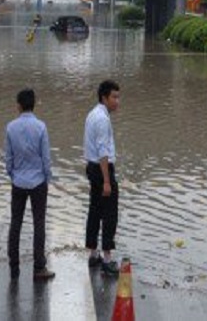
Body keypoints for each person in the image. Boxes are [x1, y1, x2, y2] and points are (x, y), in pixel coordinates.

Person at [5, 88, 55, 281]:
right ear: (34, 104)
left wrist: (13, 175)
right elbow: (46, 158)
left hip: (18, 181)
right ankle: (39, 267)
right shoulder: (41, 127)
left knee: (15, 223)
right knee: (39, 223)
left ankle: (14, 266)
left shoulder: (10, 127)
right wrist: (47, 178)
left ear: (18, 105)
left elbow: (8, 158)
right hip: (38, 182)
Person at [84, 80, 121, 276]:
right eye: (114, 97)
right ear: (104, 98)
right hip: (102, 169)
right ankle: (107, 259)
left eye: (118, 96)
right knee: (109, 213)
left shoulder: (93, 114)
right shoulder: (102, 119)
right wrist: (107, 181)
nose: (117, 101)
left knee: (95, 209)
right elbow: (102, 152)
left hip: (93, 167)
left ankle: (93, 253)